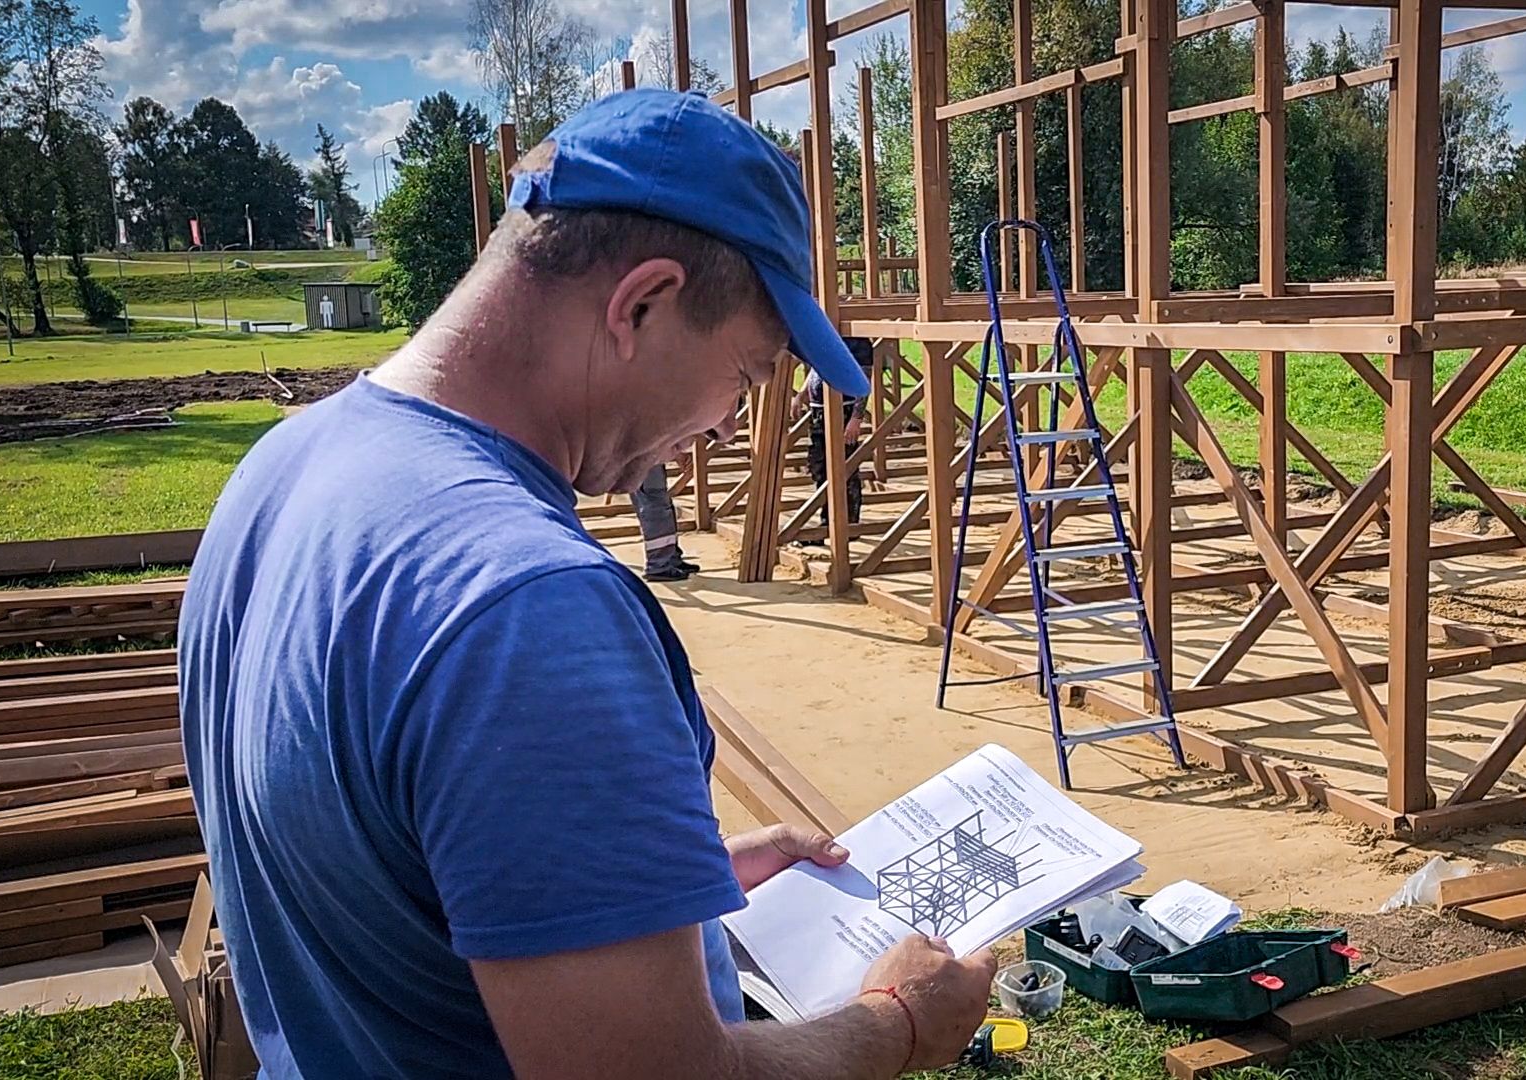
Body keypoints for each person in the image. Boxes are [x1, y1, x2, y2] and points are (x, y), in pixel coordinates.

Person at [177, 89, 994, 1079]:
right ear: (640, 305)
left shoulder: (281, 472)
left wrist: (660, 893)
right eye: (745, 372)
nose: (734, 423)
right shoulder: (531, 608)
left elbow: (389, 878)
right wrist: (900, 1022)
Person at [793, 336, 873, 530]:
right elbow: (817, 367)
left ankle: (849, 523)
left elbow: (863, 380)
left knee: (845, 467)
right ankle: (828, 520)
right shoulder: (827, 334)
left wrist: (856, 417)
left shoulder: (858, 342)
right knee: (820, 466)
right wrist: (802, 393)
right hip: (819, 410)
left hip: (842, 410)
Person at [630, 461, 700, 581]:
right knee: (656, 506)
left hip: (649, 457)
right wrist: (677, 454)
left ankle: (670, 558)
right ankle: (658, 565)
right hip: (646, 457)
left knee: (659, 504)